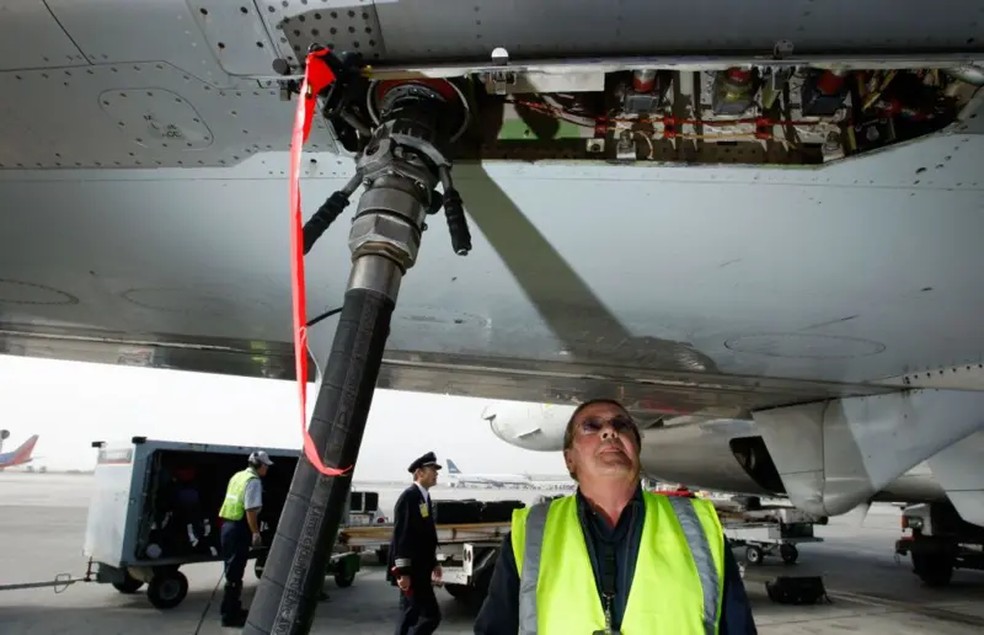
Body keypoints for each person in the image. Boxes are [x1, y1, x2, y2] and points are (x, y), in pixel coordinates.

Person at [474, 399, 757, 634]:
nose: (610, 431)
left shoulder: (698, 527)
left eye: (622, 425)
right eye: (591, 426)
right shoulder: (533, 533)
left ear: (637, 449)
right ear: (569, 458)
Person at [389, 451, 444, 635]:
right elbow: (402, 536)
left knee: (411, 615)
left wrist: (434, 562)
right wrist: (403, 572)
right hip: (412, 571)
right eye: (432, 470)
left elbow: (425, 536)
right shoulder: (410, 497)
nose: (436, 474)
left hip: (421, 569)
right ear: (419, 473)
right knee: (429, 616)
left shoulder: (423, 497)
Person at [217, 450, 273, 628]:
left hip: (227, 526)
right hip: (239, 528)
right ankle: (229, 616)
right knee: (235, 573)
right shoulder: (254, 481)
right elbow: (250, 510)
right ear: (259, 465)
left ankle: (232, 607)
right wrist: (255, 532)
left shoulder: (238, 476)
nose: (267, 468)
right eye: (265, 465)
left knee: (231, 569)